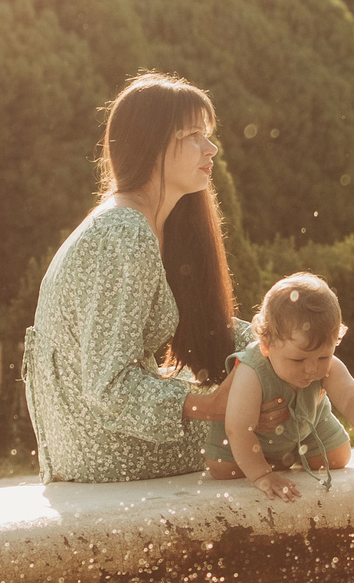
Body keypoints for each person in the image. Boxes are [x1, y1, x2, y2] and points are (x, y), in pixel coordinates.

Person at [24, 73, 291, 482]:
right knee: (270, 421)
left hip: (98, 438)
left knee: (277, 380)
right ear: (151, 144)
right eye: (193, 135)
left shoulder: (150, 223)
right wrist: (212, 406)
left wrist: (278, 340)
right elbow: (109, 387)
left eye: (208, 134)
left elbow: (207, 328)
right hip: (104, 448)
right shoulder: (123, 233)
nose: (211, 148)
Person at [202, 272, 354, 502]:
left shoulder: (328, 367)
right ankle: (269, 461)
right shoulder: (251, 371)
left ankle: (288, 456)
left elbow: (351, 396)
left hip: (306, 426)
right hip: (253, 438)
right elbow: (238, 429)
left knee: (339, 457)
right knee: (222, 468)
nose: (312, 369)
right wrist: (262, 475)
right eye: (298, 360)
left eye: (323, 357)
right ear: (266, 346)